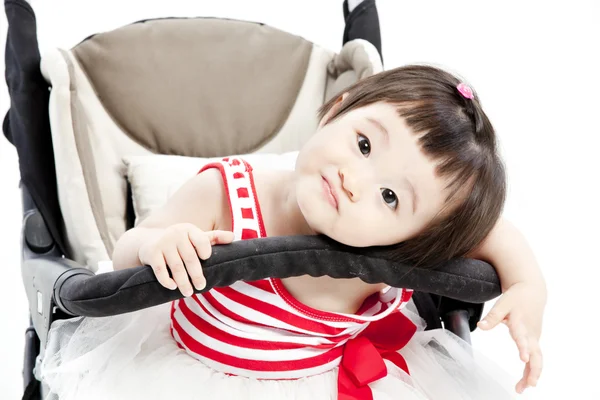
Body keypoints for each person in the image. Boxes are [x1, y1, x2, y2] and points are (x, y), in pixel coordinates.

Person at [40, 65, 546, 400]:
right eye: (365, 145)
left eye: (390, 197)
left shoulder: (394, 252)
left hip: (317, 381)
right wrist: (156, 245)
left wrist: (529, 288)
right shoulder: (227, 194)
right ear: (336, 108)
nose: (354, 180)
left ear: (420, 237)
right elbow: (125, 255)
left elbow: (497, 235)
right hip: (192, 372)